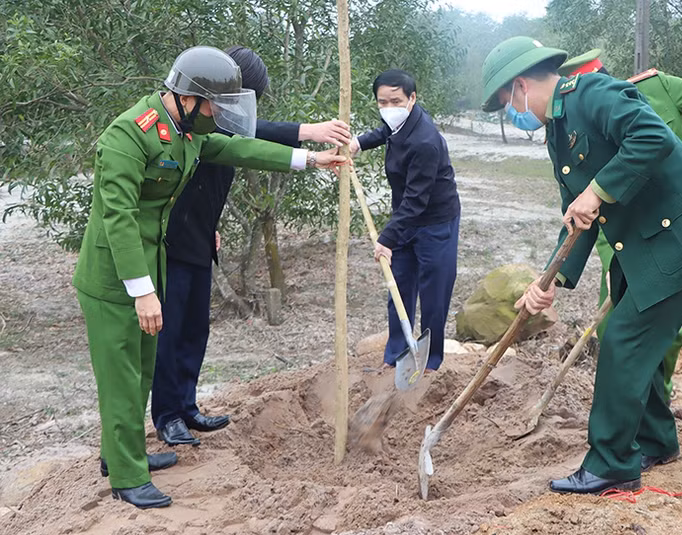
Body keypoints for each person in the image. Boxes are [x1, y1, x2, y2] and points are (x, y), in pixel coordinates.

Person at [72, 45, 346, 509]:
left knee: (138, 373)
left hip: (148, 265)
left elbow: (238, 146)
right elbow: (117, 218)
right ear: (191, 97)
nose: (220, 115)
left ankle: (122, 454)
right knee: (122, 375)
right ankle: (126, 478)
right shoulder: (128, 136)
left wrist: (310, 160)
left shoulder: (185, 128)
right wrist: (142, 293)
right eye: (216, 105)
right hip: (115, 277)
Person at [480, 37, 682, 494]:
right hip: (646, 243)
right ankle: (655, 440)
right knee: (628, 337)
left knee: (624, 340)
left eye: (507, 103)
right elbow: (576, 216)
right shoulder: (558, 133)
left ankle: (611, 466)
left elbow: (652, 136)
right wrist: (551, 281)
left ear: (521, 85)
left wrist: (598, 191)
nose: (512, 113)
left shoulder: (593, 94)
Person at [150, 45, 352, 447]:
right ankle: (167, 415)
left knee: (195, 329)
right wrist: (307, 133)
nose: (244, 109)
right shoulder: (200, 123)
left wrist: (212, 225)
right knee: (170, 332)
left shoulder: (219, 122)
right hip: (172, 242)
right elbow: (251, 138)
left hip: (201, 238)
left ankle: (186, 406)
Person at [558, 49, 682, 405]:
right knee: (615, 330)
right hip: (628, 238)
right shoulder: (582, 126)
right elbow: (591, 202)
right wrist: (609, 266)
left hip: (681, 229)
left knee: (661, 330)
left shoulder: (654, 87)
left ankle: (658, 405)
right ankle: (642, 416)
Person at [349, 69, 460, 372]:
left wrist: (386, 239)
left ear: (412, 99)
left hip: (435, 220)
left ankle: (431, 363)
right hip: (406, 217)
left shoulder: (426, 141)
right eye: (382, 102)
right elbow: (385, 130)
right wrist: (358, 143)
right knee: (398, 285)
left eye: (395, 101)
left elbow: (416, 200)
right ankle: (396, 355)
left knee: (434, 293)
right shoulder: (398, 121)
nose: (388, 108)